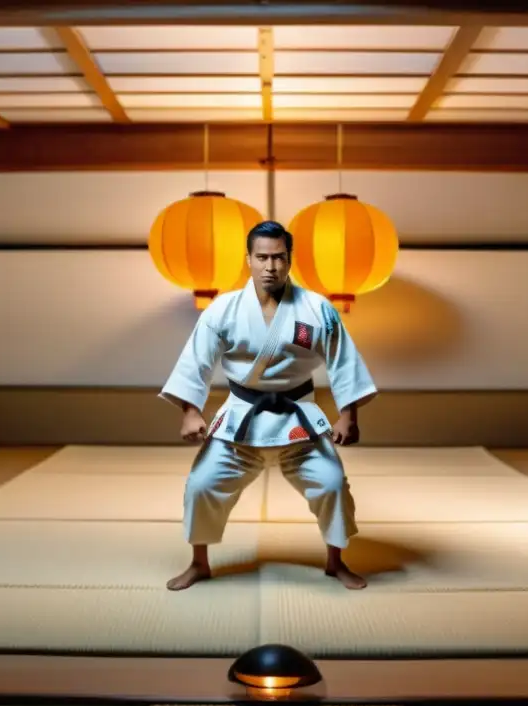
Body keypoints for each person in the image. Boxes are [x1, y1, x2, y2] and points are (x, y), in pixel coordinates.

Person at [159, 220, 378, 591]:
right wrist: (190, 410)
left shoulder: (316, 308)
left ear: (290, 259)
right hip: (241, 419)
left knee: (332, 483)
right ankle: (199, 563)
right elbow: (195, 361)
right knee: (201, 484)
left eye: (278, 257)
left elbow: (344, 362)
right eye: (262, 257)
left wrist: (348, 414)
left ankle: (335, 562)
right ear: (248, 259)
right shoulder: (223, 310)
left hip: (299, 417)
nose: (270, 267)